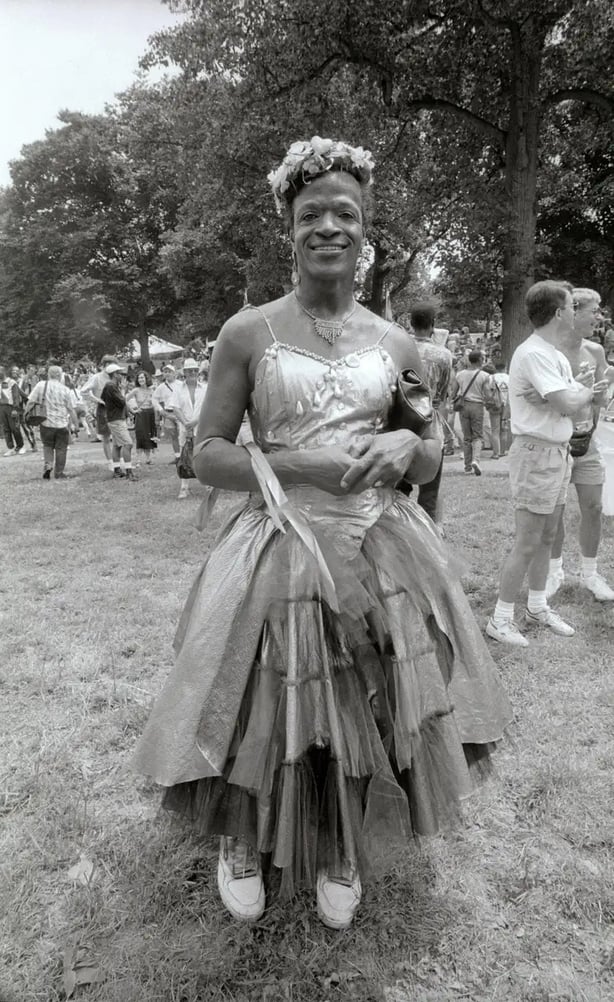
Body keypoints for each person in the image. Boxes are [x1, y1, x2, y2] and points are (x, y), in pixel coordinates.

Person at [132, 137, 512, 929]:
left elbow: (430, 445)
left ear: (366, 229)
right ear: (289, 228)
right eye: (312, 215)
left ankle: (342, 843)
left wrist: (412, 445)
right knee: (259, 694)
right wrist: (293, 462)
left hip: (382, 543)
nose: (328, 226)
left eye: (345, 213)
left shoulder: (397, 343)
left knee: (370, 692)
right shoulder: (248, 332)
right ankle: (241, 837)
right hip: (281, 542)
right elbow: (204, 454)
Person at [485, 281, 607, 647]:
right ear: (557, 312)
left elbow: (569, 400)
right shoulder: (535, 353)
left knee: (547, 536)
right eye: (572, 305)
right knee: (528, 540)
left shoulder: (550, 353)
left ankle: (537, 606)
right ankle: (500, 618)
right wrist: (585, 392)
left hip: (555, 451)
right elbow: (571, 404)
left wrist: (577, 390)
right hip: (537, 453)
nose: (576, 310)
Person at [546, 288, 614, 602]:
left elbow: (599, 399)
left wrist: (604, 387)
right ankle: (554, 571)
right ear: (573, 311)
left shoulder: (596, 351)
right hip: (555, 443)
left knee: (594, 507)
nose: (599, 318)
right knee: (555, 511)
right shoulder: (547, 350)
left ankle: (590, 573)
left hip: (587, 442)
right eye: (594, 311)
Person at [402, 301, 452, 521]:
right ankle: (429, 535)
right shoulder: (443, 356)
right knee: (429, 493)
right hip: (430, 425)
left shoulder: (398, 348)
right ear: (433, 324)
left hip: (400, 424)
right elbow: (442, 395)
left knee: (398, 489)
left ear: (410, 323)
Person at [25, 365, 79, 479]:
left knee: (47, 445)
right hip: (62, 424)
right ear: (60, 375)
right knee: (61, 448)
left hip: (46, 422)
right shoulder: (66, 390)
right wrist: (76, 424)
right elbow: (71, 409)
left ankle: (48, 465)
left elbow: (30, 402)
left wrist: (26, 414)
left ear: (49, 374)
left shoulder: (41, 385)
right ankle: (59, 473)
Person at [167, 358, 207, 499]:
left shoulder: (205, 388)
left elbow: (208, 408)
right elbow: (175, 407)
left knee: (203, 454)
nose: (192, 373)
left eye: (195, 370)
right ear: (184, 372)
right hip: (184, 428)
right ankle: (184, 487)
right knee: (185, 455)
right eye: (189, 370)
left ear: (198, 372)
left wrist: (195, 421)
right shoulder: (178, 389)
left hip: (201, 426)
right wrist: (186, 423)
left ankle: (208, 484)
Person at [452, 349, 491, 475]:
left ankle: (467, 466)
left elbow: (453, 393)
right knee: (478, 436)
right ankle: (476, 460)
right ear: (480, 360)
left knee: (467, 437)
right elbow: (487, 394)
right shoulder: (484, 375)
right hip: (477, 406)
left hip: (463, 406)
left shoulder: (460, 374)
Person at [80, 355, 117, 471]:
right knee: (106, 437)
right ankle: (110, 462)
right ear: (105, 365)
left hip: (116, 408)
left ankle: (118, 460)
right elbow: (83, 391)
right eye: (111, 365)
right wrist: (97, 400)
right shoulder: (96, 377)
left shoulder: (115, 376)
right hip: (104, 408)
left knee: (117, 436)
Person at [100, 363, 136, 481]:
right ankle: (129, 471)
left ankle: (117, 470)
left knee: (116, 445)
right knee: (128, 443)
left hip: (113, 418)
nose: (122, 375)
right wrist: (124, 390)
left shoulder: (110, 386)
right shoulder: (111, 386)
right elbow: (122, 401)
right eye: (120, 373)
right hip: (116, 419)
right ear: (115, 374)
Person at [126, 371, 158, 465]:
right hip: (141, 414)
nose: (141, 379)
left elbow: (156, 401)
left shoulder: (151, 390)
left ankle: (148, 458)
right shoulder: (136, 390)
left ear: (146, 378)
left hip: (150, 413)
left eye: (142, 377)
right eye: (139, 378)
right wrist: (132, 410)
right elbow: (125, 399)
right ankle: (138, 458)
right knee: (140, 435)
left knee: (149, 435)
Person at [152, 363, 181, 464]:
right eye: (165, 372)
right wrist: (160, 410)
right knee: (173, 435)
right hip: (168, 413)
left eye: (169, 372)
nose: (167, 374)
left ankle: (187, 456)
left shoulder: (181, 384)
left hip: (180, 412)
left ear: (174, 373)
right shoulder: (161, 387)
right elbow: (154, 399)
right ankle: (178, 457)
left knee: (184, 434)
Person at [0, 366, 27, 456]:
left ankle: (21, 446)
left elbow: (16, 396)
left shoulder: (11, 382)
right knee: (6, 429)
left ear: (3, 371)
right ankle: (11, 448)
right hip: (1, 407)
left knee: (14, 428)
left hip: (11, 407)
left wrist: (15, 408)